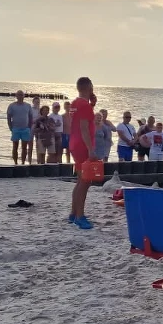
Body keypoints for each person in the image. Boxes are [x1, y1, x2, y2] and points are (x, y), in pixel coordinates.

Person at [67, 77, 98, 229]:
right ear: (89, 87)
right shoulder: (84, 105)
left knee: (80, 180)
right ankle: (80, 216)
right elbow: (84, 128)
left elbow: (78, 121)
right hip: (82, 145)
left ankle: (73, 213)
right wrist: (91, 149)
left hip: (74, 142)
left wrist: (92, 105)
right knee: (85, 181)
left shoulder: (75, 103)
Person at [6, 90, 34, 165]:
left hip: (25, 129)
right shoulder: (12, 106)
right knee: (15, 146)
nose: (20, 96)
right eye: (19, 95)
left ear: (24, 96)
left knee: (24, 147)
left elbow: (31, 117)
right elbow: (8, 117)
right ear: (16, 96)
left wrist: (29, 127)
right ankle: (15, 163)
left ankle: (23, 163)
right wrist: (10, 126)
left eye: (22, 95)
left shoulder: (28, 106)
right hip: (15, 128)